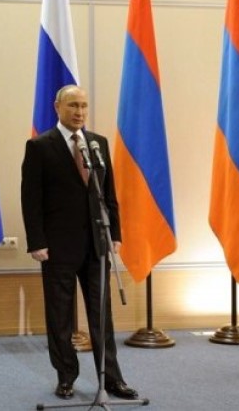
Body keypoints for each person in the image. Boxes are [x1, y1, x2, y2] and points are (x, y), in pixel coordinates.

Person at [21, 85, 138, 400]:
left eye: (84, 106)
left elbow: (108, 193)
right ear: (57, 107)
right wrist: (36, 242)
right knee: (60, 316)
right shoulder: (39, 146)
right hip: (57, 246)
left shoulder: (98, 144)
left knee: (102, 316)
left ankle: (111, 379)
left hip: (96, 244)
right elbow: (31, 200)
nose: (80, 112)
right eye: (73, 105)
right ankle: (66, 377)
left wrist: (115, 233)